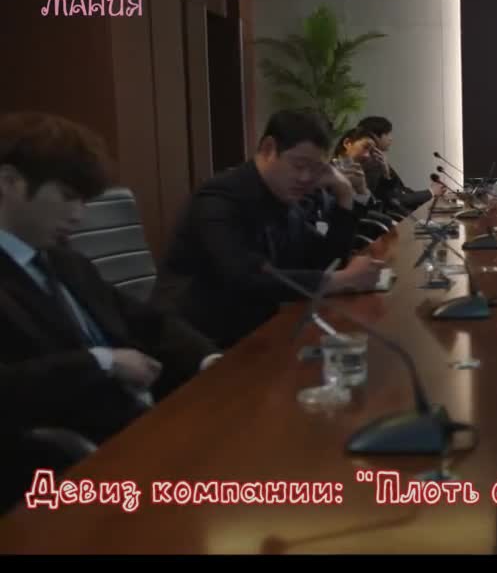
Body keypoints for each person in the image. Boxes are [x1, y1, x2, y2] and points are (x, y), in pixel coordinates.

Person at [0, 112, 220, 510]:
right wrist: (101, 362)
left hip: (148, 429)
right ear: (9, 181)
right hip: (71, 468)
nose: (79, 215)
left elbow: (145, 321)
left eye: (84, 201)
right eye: (68, 196)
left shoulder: (65, 260)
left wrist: (211, 361)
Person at [153, 108, 384, 349]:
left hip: (252, 332)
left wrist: (345, 195)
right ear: (268, 148)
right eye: (299, 165)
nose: (306, 178)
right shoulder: (219, 198)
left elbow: (323, 261)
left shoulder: (284, 199)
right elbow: (246, 278)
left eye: (316, 169)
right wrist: (338, 280)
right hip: (195, 342)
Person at [357, 116, 433, 210]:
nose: (391, 138)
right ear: (375, 137)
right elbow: (395, 199)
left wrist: (430, 192)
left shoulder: (380, 161)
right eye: (387, 134)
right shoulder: (373, 165)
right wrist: (431, 192)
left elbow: (401, 190)